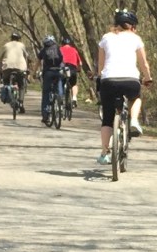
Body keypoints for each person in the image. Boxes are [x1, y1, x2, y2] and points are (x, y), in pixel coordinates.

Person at [96, 10, 151, 165]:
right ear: (132, 26)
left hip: (108, 81)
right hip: (130, 80)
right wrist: (148, 78)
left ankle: (104, 153)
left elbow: (101, 65)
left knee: (107, 118)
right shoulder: (136, 39)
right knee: (136, 97)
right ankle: (134, 121)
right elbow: (144, 64)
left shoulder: (106, 37)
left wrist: (100, 77)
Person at [38, 35, 65, 123]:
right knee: (59, 85)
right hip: (58, 72)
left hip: (48, 73)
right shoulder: (58, 48)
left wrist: (34, 73)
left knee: (46, 93)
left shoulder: (44, 50)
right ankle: (60, 101)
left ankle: (45, 115)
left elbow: (38, 61)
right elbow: (62, 60)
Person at [0, 33, 30, 109]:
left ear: (11, 38)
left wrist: (0, 69)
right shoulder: (22, 45)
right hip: (20, 68)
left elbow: (1, 58)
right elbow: (26, 56)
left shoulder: (6, 45)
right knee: (21, 86)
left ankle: (9, 96)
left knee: (6, 83)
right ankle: (21, 103)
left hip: (7, 68)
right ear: (19, 39)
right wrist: (27, 68)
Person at [59, 37, 83, 108]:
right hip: (72, 69)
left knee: (61, 83)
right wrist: (79, 69)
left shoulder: (60, 49)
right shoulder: (74, 50)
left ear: (62, 44)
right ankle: (74, 98)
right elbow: (80, 63)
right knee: (74, 84)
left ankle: (61, 97)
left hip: (63, 68)